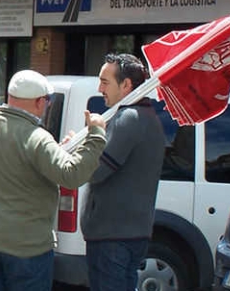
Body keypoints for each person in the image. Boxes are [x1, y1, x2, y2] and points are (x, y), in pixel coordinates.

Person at [0, 69, 107, 291]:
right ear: (40, 102)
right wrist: (95, 136)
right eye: (47, 101)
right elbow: (71, 175)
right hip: (27, 246)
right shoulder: (38, 137)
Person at [83, 53, 164, 291]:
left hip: (113, 237)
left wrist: (91, 139)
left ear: (126, 84)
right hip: (125, 234)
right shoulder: (143, 116)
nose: (100, 88)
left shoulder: (129, 118)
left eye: (105, 82)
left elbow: (95, 170)